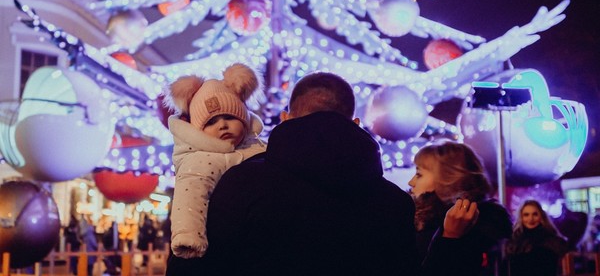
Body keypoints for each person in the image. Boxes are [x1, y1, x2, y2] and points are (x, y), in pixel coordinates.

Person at [166, 71, 480, 276]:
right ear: (355, 124)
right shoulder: (394, 204)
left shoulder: (241, 183)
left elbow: (195, 267)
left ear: (287, 119)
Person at [164, 63, 266, 259]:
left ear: (244, 119)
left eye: (230, 117)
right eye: (211, 122)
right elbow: (189, 197)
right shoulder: (201, 160)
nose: (223, 125)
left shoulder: (259, 147)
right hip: (220, 247)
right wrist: (188, 237)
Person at [408, 140, 513, 276]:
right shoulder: (418, 220)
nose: (411, 182)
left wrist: (449, 238)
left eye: (419, 174)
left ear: (447, 179)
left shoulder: (481, 227)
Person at [505, 199, 568, 276]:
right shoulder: (514, 240)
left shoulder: (551, 240)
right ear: (521, 217)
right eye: (526, 215)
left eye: (535, 214)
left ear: (541, 216)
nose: (531, 219)